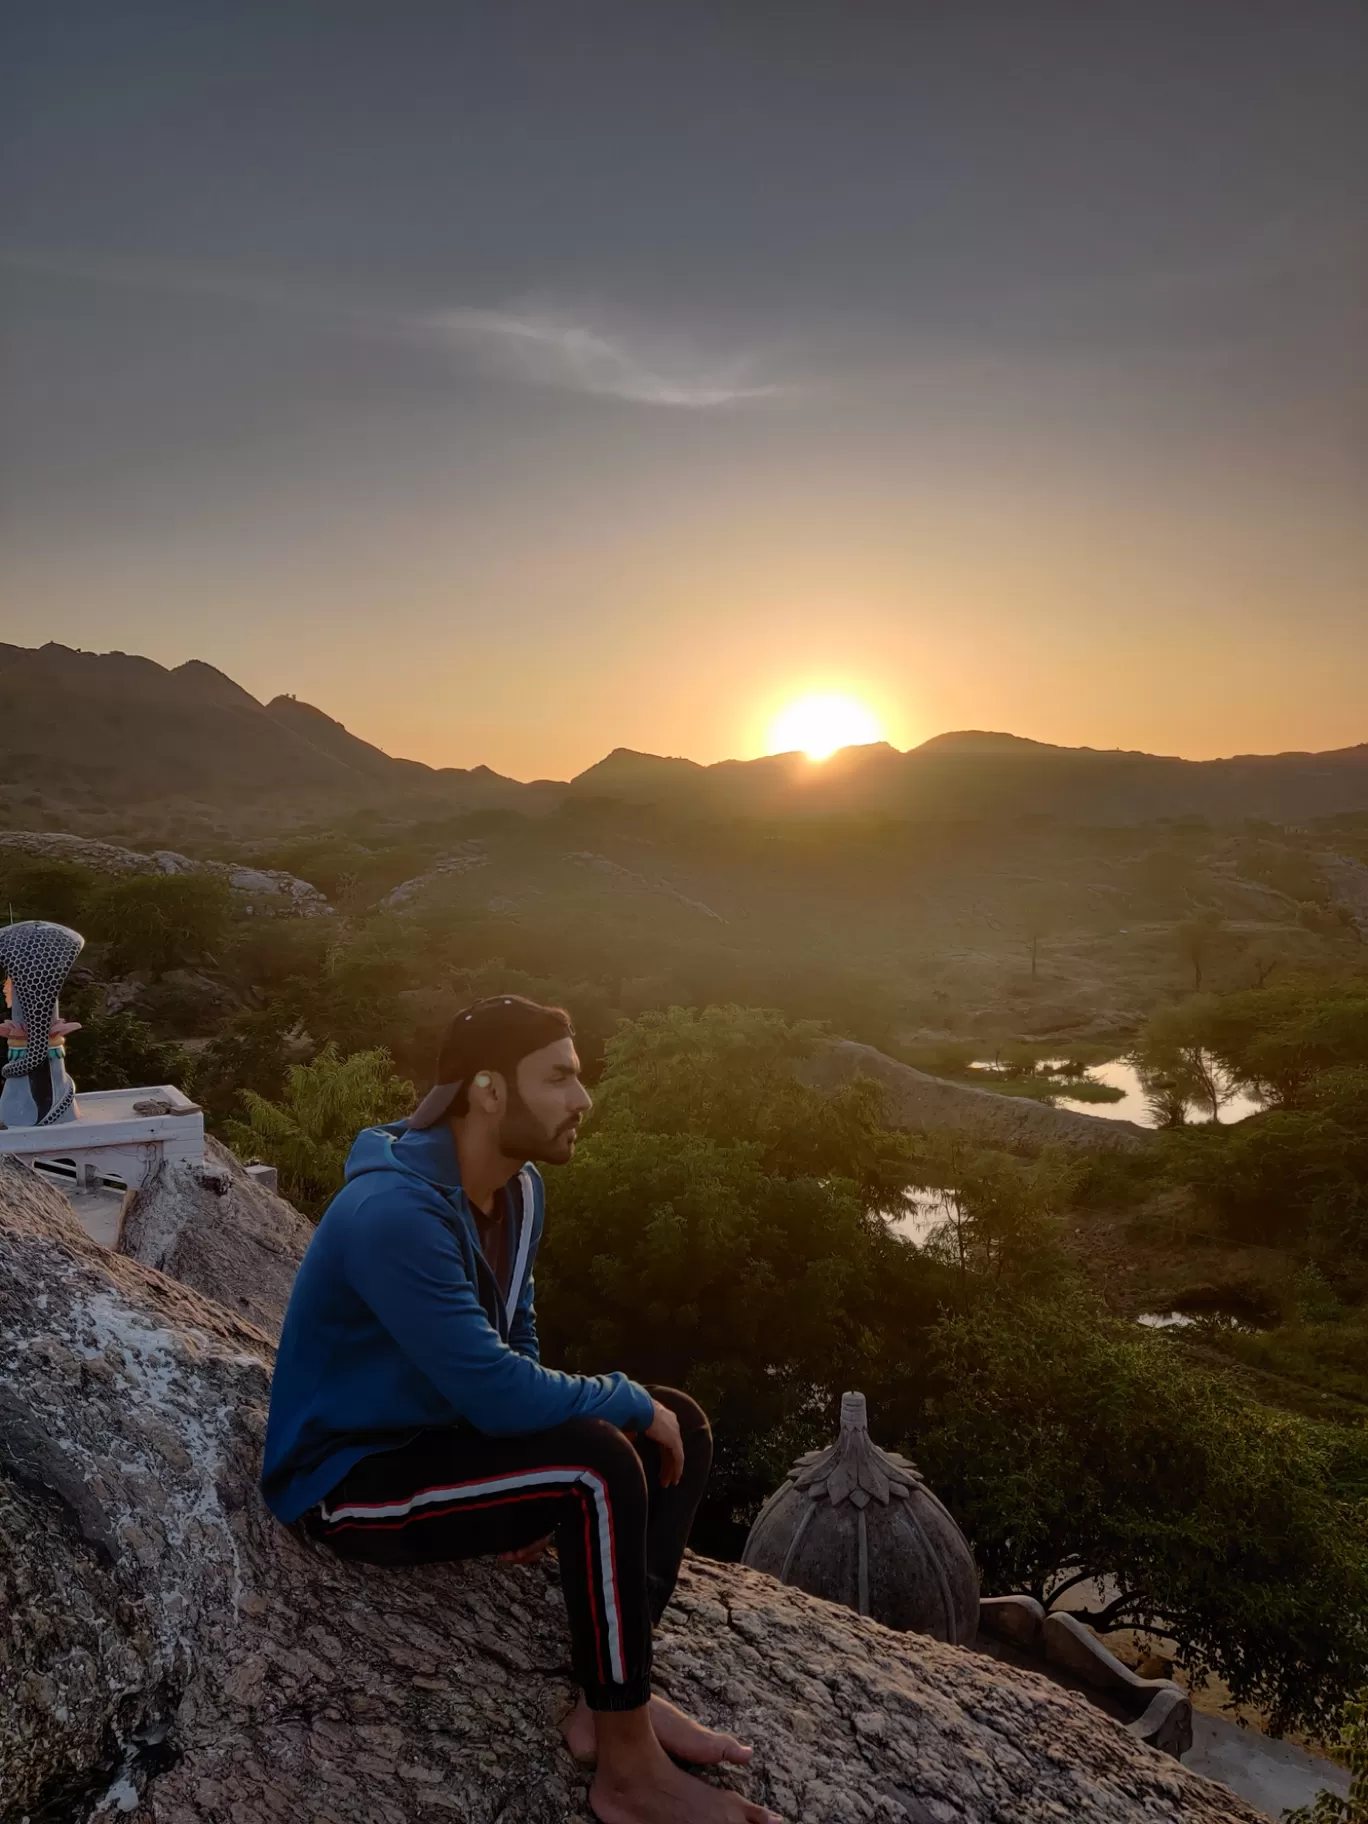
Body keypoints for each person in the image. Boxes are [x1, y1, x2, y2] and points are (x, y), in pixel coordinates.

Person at [261, 994, 780, 1824]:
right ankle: (628, 1773)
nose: (585, 1100)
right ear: (489, 1090)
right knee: (602, 1458)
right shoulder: (393, 1212)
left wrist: (528, 1462)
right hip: (351, 1478)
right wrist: (598, 1415)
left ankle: (612, 1699)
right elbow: (494, 1387)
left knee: (675, 1426)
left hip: (443, 1438)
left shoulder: (521, 1189)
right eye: (562, 1078)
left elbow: (517, 1341)